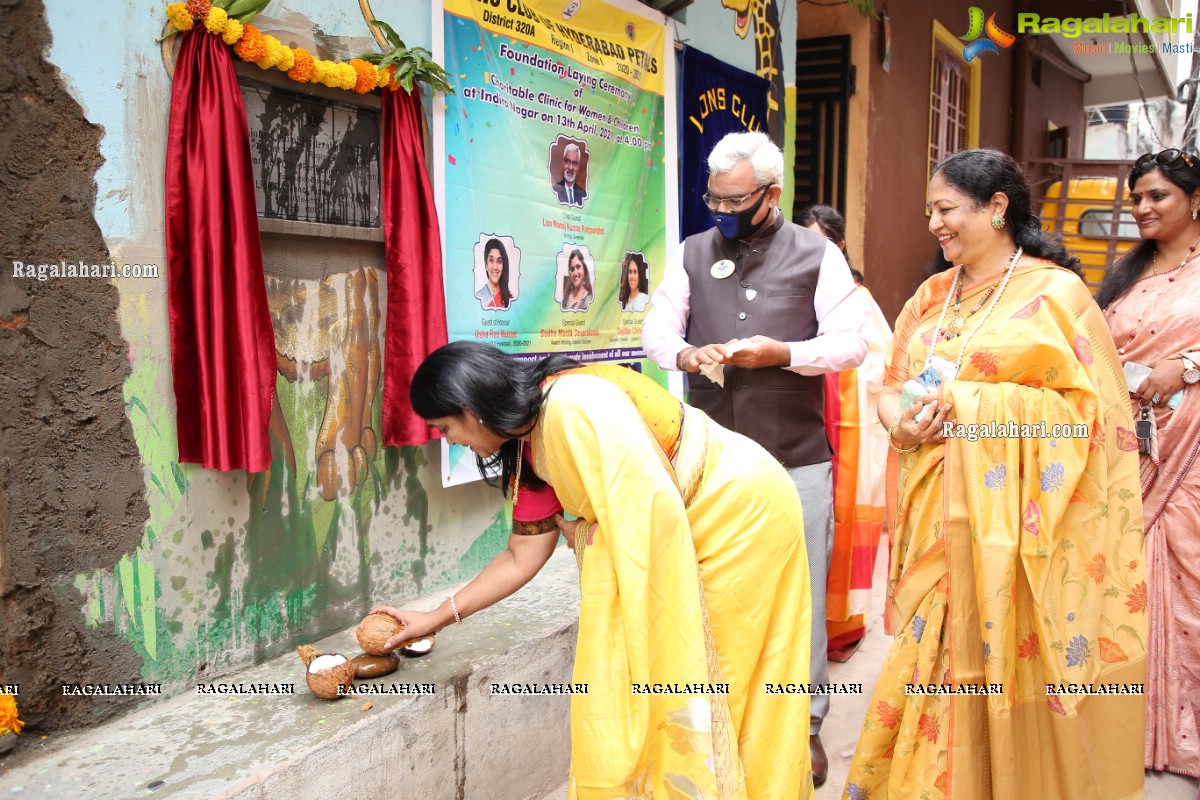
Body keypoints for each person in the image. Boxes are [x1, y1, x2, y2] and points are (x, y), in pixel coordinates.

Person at [375, 341, 816, 798]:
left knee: (720, 683)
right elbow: (521, 555)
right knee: (712, 688)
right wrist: (434, 618)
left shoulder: (571, 407)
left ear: (470, 410)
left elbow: (652, 514)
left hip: (737, 516)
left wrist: (586, 535)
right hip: (705, 517)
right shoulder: (529, 439)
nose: (453, 442)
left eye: (446, 429)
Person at [843, 148, 1146, 799]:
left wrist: (967, 406)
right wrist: (903, 425)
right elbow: (891, 388)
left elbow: (1089, 417)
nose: (934, 224)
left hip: (1013, 535)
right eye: (931, 210)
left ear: (998, 208)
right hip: (934, 520)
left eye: (946, 209)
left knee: (1000, 655)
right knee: (930, 652)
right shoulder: (930, 296)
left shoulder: (1055, 295)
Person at [642, 130, 867, 786]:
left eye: (736, 199)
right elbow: (657, 327)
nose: (722, 210)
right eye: (713, 197)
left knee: (799, 591)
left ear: (771, 194)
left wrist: (785, 354)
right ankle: (722, 718)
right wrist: (683, 354)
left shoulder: (815, 256)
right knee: (713, 588)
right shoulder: (691, 253)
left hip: (795, 456)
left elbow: (851, 343)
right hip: (710, 457)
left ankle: (805, 726)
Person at [1096, 147, 1200, 779]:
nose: (1142, 208)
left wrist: (1187, 365)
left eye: (1157, 196)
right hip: (1126, 446)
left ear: (1195, 199)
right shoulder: (1126, 274)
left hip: (1190, 454)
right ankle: (1132, 731)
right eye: (1136, 197)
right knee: (1125, 581)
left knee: (1187, 581)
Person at [797, 204, 892, 661]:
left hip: (848, 427)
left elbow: (881, 363)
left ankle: (842, 627)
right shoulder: (793, 292)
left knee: (845, 519)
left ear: (839, 246)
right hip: (802, 426)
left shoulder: (857, 297)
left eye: (824, 244)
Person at [474, 238, 512, 310]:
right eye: (491, 260)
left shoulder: (510, 299)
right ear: (486, 265)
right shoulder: (478, 297)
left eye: (499, 261)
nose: (495, 267)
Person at [553, 143, 587, 207]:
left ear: (578, 168)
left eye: (574, 163)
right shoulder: (554, 190)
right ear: (563, 165)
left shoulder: (583, 194)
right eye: (568, 162)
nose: (571, 168)